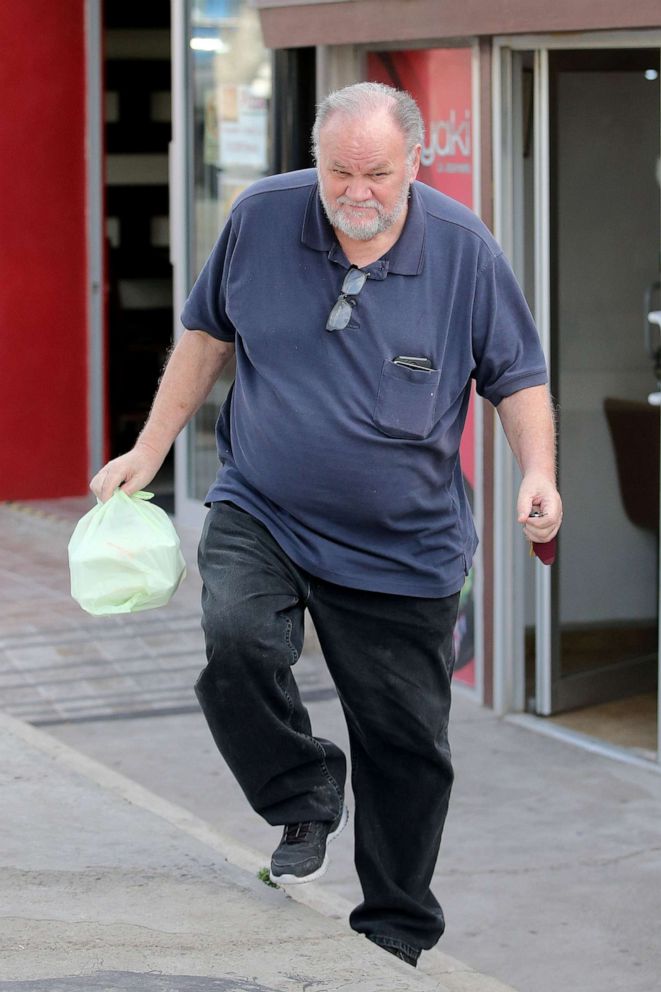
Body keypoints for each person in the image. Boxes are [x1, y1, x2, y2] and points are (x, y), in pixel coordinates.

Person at [91, 82, 562, 968]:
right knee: (235, 640)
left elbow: (518, 378)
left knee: (404, 745)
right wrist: (147, 455)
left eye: (377, 173)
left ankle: (393, 926)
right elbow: (203, 339)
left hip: (402, 547)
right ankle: (302, 790)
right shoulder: (259, 220)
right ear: (315, 159)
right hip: (262, 505)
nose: (356, 192)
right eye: (338, 171)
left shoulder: (463, 252)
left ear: (413, 163)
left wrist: (538, 471)